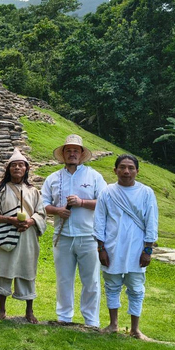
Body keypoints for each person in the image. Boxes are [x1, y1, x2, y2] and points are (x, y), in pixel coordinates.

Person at [42, 134, 107, 327]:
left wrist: (82, 202)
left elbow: (104, 202)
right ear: (63, 154)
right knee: (64, 279)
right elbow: (43, 203)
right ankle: (64, 317)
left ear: (81, 153)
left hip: (88, 235)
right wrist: (57, 210)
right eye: (68, 150)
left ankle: (91, 321)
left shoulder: (93, 176)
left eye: (75, 150)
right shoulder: (53, 178)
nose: (72, 154)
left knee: (92, 281)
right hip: (63, 236)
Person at [94, 154, 159, 340]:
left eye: (131, 168)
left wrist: (147, 250)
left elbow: (151, 222)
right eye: (122, 167)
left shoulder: (146, 193)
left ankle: (135, 329)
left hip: (137, 249)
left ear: (137, 171)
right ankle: (113, 324)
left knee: (136, 288)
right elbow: (100, 221)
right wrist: (101, 248)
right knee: (112, 286)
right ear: (115, 170)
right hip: (112, 247)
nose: (126, 171)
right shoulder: (107, 192)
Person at [0, 148, 46, 324]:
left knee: (27, 270)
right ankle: (1, 309)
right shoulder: (0, 190)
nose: (17, 168)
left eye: (21, 165)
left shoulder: (34, 191)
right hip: (6, 235)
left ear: (26, 169)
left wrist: (30, 222)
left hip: (27, 238)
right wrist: (9, 220)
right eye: (14, 165)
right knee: (4, 270)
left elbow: (41, 213)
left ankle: (29, 310)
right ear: (8, 169)